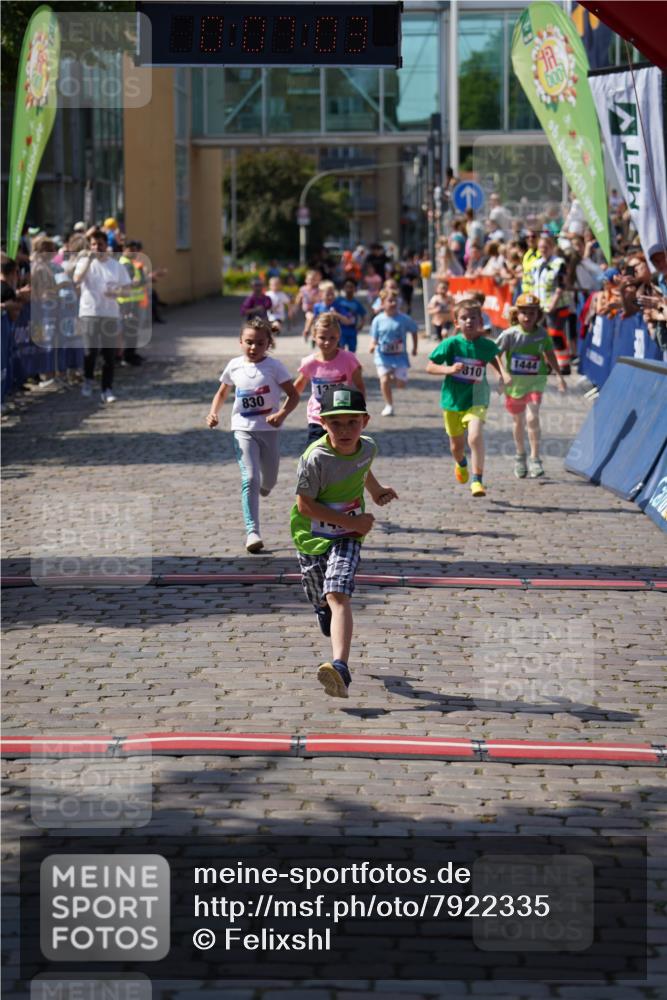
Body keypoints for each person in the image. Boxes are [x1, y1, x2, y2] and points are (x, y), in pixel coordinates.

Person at [291, 385, 398, 699]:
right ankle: (321, 608)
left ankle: (340, 666)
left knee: (338, 593)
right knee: (321, 595)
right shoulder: (315, 458)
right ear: (323, 423)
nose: (345, 430)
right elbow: (304, 506)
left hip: (348, 537)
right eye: (336, 423)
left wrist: (376, 491)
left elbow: (361, 467)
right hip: (311, 536)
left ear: (365, 421)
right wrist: (353, 521)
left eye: (352, 422)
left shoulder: (368, 447)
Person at [206, 317, 299, 554]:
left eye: (259, 343)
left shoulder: (275, 367)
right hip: (243, 429)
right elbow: (222, 393)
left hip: (269, 431)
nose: (253, 347)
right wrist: (213, 413)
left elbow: (294, 395)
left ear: (268, 344)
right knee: (249, 478)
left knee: (269, 479)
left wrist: (281, 414)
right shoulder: (234, 365)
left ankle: (266, 486)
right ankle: (252, 532)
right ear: (240, 342)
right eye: (249, 342)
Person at [426, 297, 511, 497]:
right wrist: (449, 369)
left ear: (480, 321)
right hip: (453, 400)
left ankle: (477, 480)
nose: (469, 321)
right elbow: (430, 366)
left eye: (473, 317)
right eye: (464, 318)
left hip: (477, 397)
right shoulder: (451, 344)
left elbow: (494, 358)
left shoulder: (486, 345)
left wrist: (502, 375)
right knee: (456, 447)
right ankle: (461, 463)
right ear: (456, 322)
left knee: (474, 436)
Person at [495, 293, 566, 479]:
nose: (527, 317)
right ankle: (520, 455)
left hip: (536, 380)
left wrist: (559, 376)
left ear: (538, 315)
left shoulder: (542, 334)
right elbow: (495, 354)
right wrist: (502, 374)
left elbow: (550, 354)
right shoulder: (510, 334)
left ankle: (535, 458)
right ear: (517, 314)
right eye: (524, 313)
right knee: (518, 421)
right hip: (515, 384)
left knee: (532, 417)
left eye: (532, 313)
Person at [74, 229, 132, 403]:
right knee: (90, 351)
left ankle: (107, 389)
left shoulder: (116, 266)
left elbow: (127, 290)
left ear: (106, 245)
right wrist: (89, 261)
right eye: (93, 244)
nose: (96, 247)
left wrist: (116, 293)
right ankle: (88, 379)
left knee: (109, 354)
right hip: (89, 312)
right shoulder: (84, 262)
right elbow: (77, 280)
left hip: (110, 314)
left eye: (99, 244)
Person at [294, 312, 366, 446]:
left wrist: (361, 411)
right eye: (322, 337)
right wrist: (283, 411)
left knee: (344, 452)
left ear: (339, 337)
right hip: (318, 418)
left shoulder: (348, 359)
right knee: (314, 452)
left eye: (332, 338)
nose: (327, 342)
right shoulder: (309, 362)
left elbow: (359, 386)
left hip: (343, 417)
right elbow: (298, 387)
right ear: (314, 336)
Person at [369, 288, 419, 416]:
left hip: (400, 357)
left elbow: (414, 331)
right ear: (382, 303)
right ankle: (389, 405)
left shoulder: (404, 319)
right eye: (390, 301)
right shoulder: (377, 320)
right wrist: (372, 346)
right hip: (382, 356)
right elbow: (374, 338)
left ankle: (392, 377)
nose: (393, 303)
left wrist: (414, 348)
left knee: (401, 384)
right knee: (384, 380)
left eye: (395, 301)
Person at [333, 277, 367, 352]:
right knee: (340, 350)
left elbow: (363, 315)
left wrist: (361, 325)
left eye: (351, 287)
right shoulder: (339, 300)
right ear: (344, 288)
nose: (349, 289)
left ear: (355, 289)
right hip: (341, 330)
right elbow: (333, 311)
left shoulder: (356, 303)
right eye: (347, 287)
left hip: (352, 330)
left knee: (352, 351)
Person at [294, 269, 322, 342]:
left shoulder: (318, 290)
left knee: (314, 323)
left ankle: (313, 336)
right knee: (311, 317)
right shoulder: (303, 289)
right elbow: (299, 297)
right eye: (309, 279)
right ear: (306, 280)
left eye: (314, 279)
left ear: (317, 281)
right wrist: (296, 305)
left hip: (316, 309)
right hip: (307, 309)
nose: (311, 281)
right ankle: (306, 331)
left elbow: (320, 299)